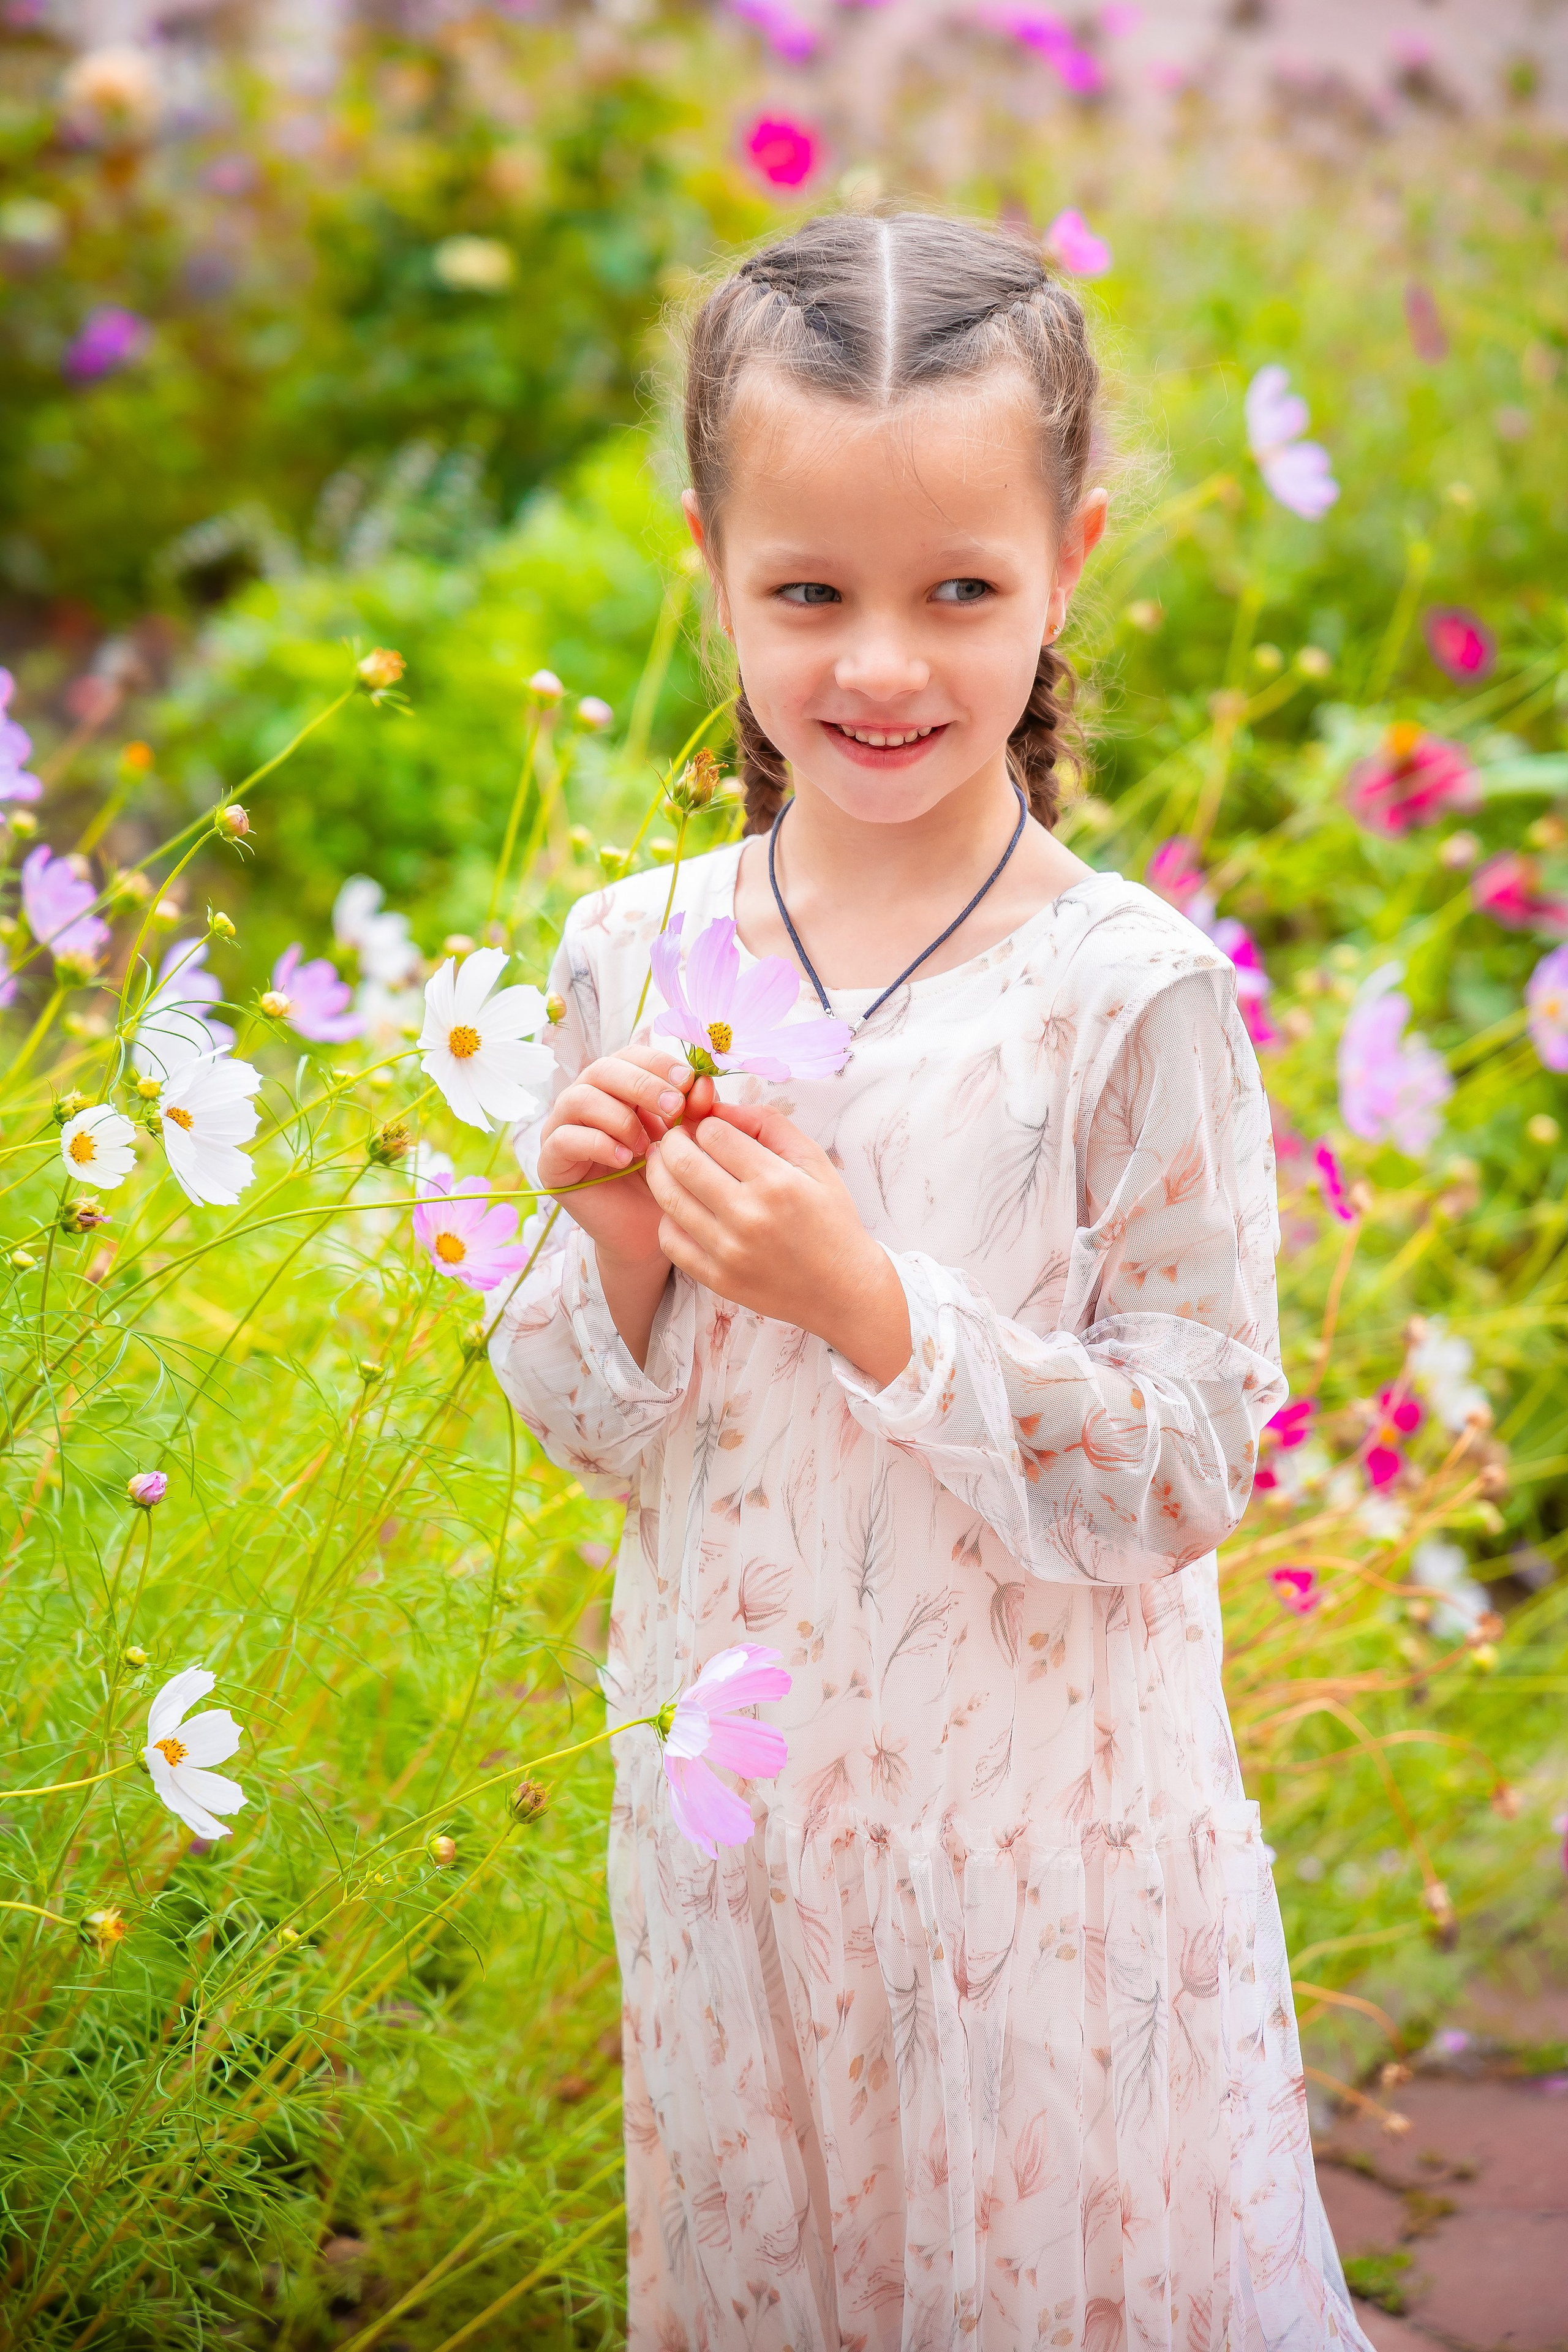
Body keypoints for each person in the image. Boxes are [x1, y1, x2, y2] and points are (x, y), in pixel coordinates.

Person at [491, 211, 1372, 2352]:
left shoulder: (1122, 995)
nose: (878, 666)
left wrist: (870, 1299)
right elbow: (603, 1440)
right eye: (809, 594)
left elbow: (1180, 1468)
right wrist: (612, 1241)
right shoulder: (636, 945)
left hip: (1038, 1863)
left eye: (957, 592)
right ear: (710, 560)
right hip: (745, 1854)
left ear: (1066, 563)